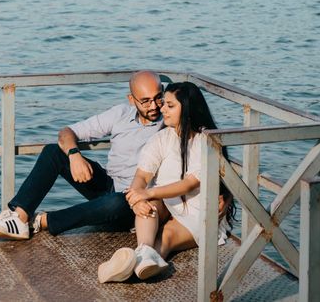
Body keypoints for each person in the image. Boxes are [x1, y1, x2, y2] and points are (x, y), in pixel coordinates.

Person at [0, 70, 165, 239]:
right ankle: (20, 217)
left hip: (135, 202)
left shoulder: (170, 120)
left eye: (158, 98)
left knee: (116, 202)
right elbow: (66, 132)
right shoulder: (120, 113)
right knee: (53, 151)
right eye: (146, 101)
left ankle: (42, 221)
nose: (154, 106)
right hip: (109, 184)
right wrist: (74, 154)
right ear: (132, 100)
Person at [97, 80, 234, 283]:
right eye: (164, 104)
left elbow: (190, 184)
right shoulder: (162, 138)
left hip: (198, 212)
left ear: (187, 109)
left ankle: (133, 268)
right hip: (170, 204)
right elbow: (142, 176)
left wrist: (148, 192)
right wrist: (138, 198)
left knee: (166, 236)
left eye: (170, 105)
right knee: (148, 206)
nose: (162, 109)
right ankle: (143, 252)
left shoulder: (205, 142)